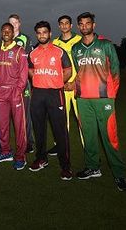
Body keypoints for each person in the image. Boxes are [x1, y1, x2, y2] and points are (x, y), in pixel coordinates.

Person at [72, 12, 126, 191]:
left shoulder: (105, 45)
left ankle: (119, 174)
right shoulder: (76, 48)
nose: (84, 27)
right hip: (82, 98)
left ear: (93, 25)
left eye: (87, 23)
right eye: (81, 24)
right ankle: (92, 167)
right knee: (88, 136)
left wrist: (112, 94)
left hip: (103, 98)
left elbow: (115, 70)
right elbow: (77, 70)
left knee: (110, 137)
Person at [28, 21, 73, 179]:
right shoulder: (33, 53)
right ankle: (41, 159)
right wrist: (39, 80)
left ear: (50, 33)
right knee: (39, 129)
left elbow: (68, 70)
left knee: (60, 131)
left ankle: (65, 166)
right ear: (36, 34)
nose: (42, 35)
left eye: (44, 32)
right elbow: (30, 70)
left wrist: (58, 82)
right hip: (38, 94)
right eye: (39, 32)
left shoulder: (59, 52)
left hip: (55, 94)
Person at [0, 23, 29, 170]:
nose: (6, 33)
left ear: (13, 33)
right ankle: (5, 151)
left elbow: (24, 73)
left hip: (14, 93)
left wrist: (18, 90)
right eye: (4, 30)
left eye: (9, 31)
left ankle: (21, 157)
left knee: (20, 127)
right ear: (1, 32)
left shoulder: (20, 50)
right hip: (0, 93)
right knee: (3, 126)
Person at [48, 15, 83, 156]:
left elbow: (84, 65)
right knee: (61, 120)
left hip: (77, 86)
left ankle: (88, 147)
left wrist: (75, 82)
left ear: (71, 25)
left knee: (82, 119)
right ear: (59, 26)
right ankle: (60, 146)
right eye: (61, 24)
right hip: (61, 86)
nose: (64, 26)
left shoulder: (79, 40)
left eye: (66, 23)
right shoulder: (55, 43)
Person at [8, 14, 34, 153]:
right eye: (10, 23)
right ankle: (18, 141)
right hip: (9, 83)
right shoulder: (5, 39)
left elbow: (29, 60)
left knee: (25, 113)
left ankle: (29, 142)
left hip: (22, 82)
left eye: (15, 23)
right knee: (12, 114)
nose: (13, 25)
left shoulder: (25, 38)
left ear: (19, 24)